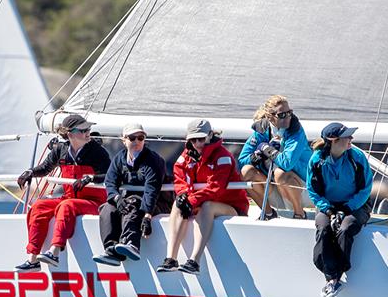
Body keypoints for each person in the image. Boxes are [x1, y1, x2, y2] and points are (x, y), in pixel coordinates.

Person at [15, 114, 110, 271]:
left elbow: (110, 174)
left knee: (66, 206)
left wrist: (90, 178)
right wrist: (30, 172)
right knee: (38, 206)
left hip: (95, 202)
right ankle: (32, 259)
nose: (88, 132)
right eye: (84, 130)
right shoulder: (61, 149)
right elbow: (45, 168)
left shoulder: (98, 151)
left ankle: (54, 251)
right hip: (70, 197)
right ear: (70, 134)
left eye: (89, 129)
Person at [156, 119, 249, 275]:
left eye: (201, 138)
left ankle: (194, 261)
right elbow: (179, 177)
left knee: (207, 207)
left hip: (232, 207)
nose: (198, 143)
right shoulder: (186, 156)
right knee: (178, 204)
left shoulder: (223, 156)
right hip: (200, 202)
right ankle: (171, 258)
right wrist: (183, 196)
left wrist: (190, 201)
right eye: (193, 139)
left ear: (210, 135)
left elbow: (216, 188)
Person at [307, 122, 374, 297]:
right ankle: (331, 278)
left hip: (356, 205)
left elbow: (366, 189)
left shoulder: (357, 157)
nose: (351, 139)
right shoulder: (316, 160)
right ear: (333, 141)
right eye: (347, 136)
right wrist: (328, 210)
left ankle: (337, 274)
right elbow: (312, 190)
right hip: (328, 205)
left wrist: (346, 209)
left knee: (345, 228)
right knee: (323, 229)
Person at [92, 123, 167, 266]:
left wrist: (147, 216)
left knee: (132, 203)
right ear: (124, 140)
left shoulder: (153, 160)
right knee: (107, 208)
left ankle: (131, 244)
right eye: (132, 138)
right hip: (129, 199)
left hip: (155, 203)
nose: (137, 141)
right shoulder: (119, 159)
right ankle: (111, 250)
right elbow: (110, 181)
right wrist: (116, 198)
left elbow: (152, 189)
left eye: (141, 138)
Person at [237, 95, 312, 219]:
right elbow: (241, 161)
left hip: (304, 190)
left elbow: (287, 163)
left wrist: (268, 150)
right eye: (282, 114)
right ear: (270, 117)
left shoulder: (296, 131)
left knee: (280, 173)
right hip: (275, 190)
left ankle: (300, 214)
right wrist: (256, 156)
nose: (288, 117)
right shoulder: (262, 131)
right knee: (246, 172)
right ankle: (268, 214)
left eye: (290, 112)